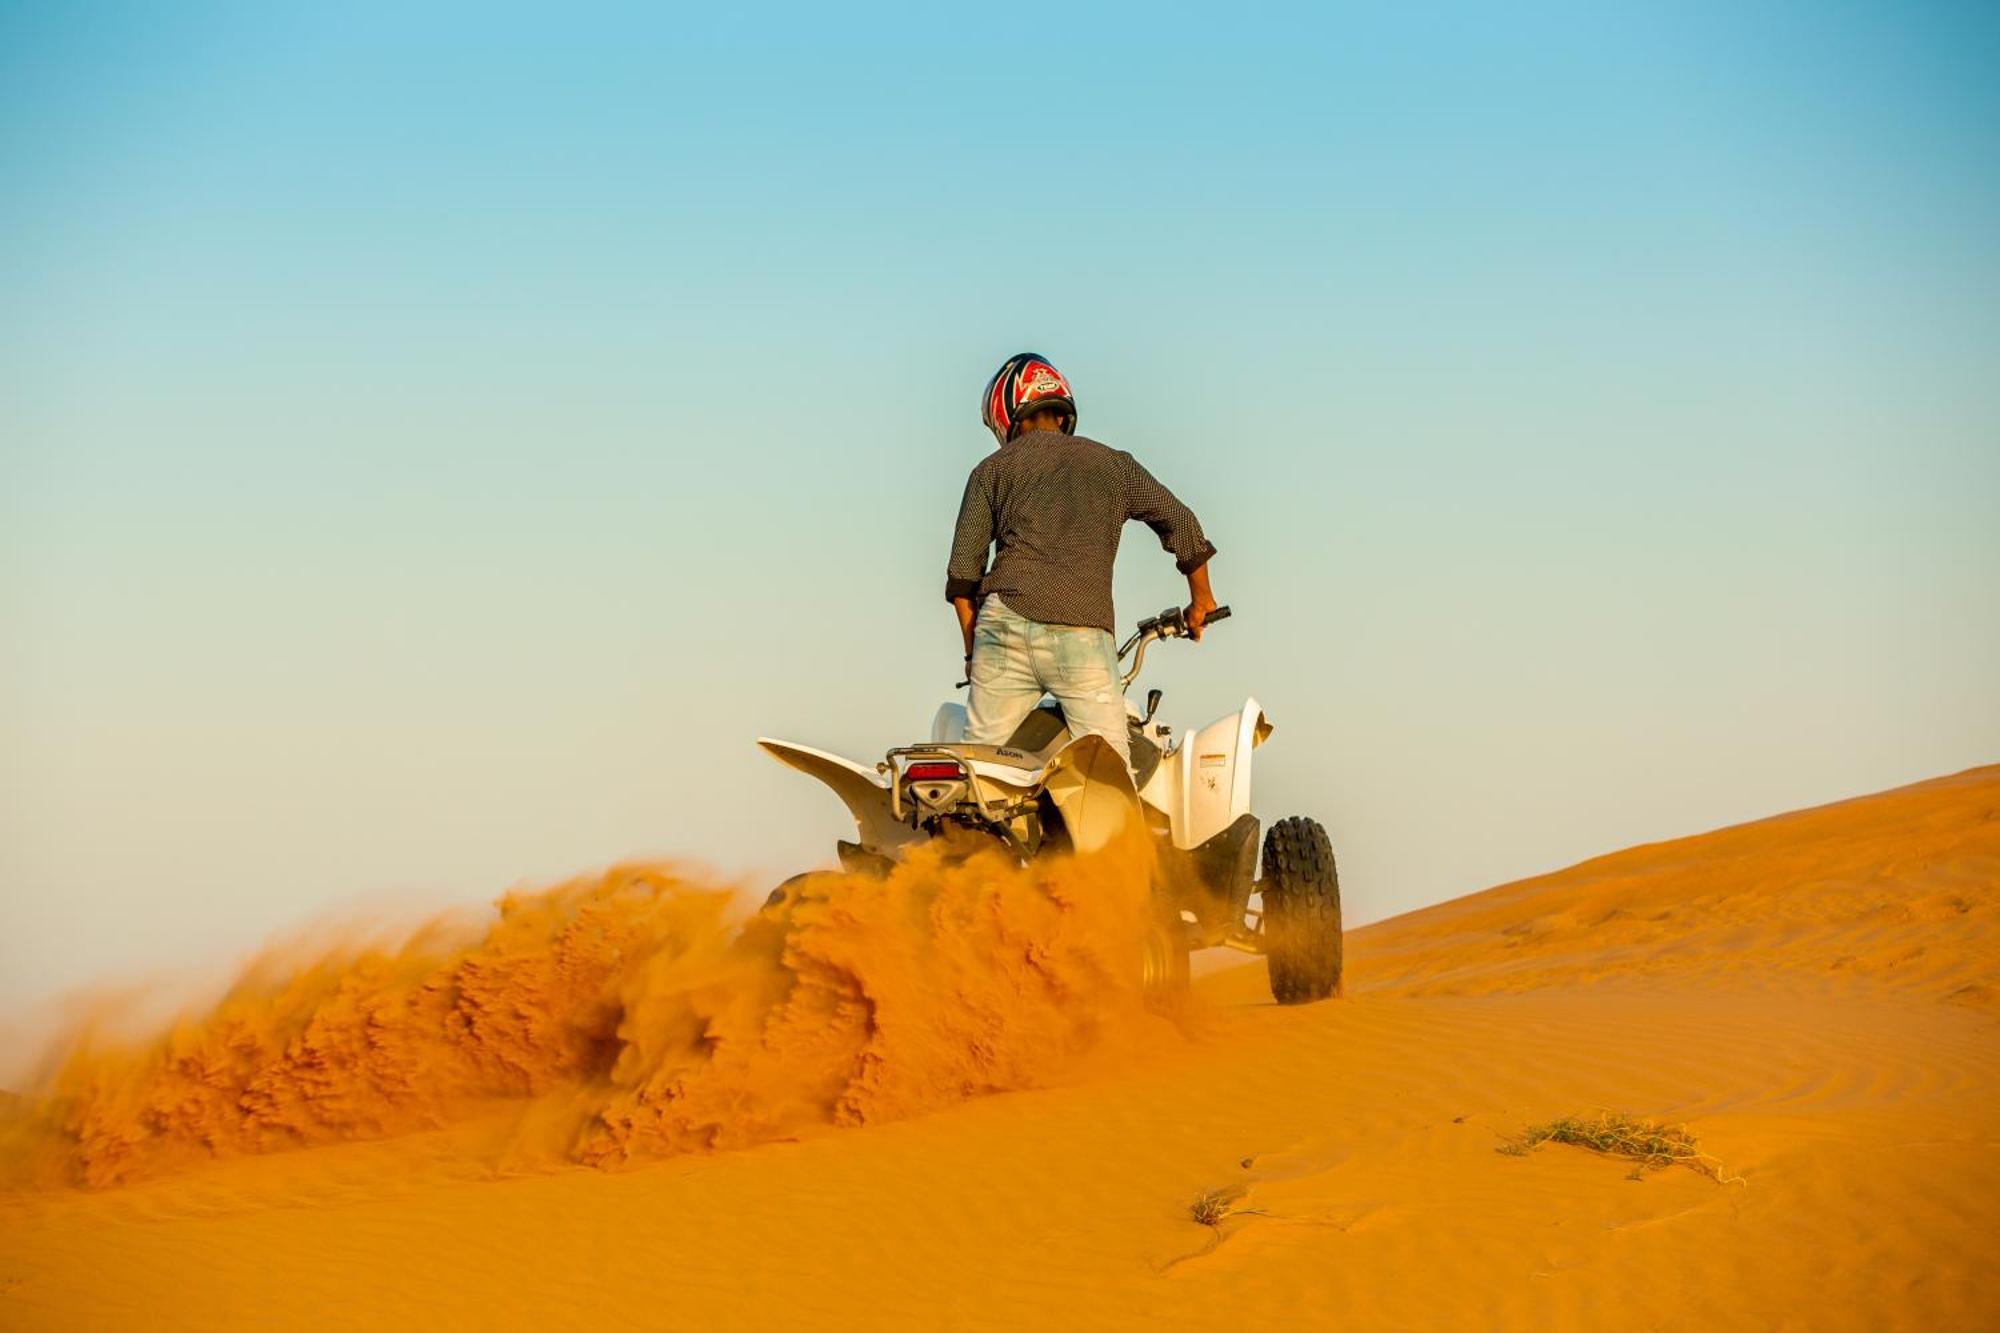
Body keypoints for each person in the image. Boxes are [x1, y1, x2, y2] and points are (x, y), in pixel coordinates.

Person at [946, 352, 1219, 770]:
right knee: (1108, 772)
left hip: (1004, 630)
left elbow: (963, 580)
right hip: (1082, 635)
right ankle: (1117, 835)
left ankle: (961, 835)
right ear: (1061, 408)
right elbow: (1181, 523)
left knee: (980, 770)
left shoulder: (990, 470)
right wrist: (1202, 601)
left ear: (1006, 414)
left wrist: (974, 654)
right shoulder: (1114, 466)